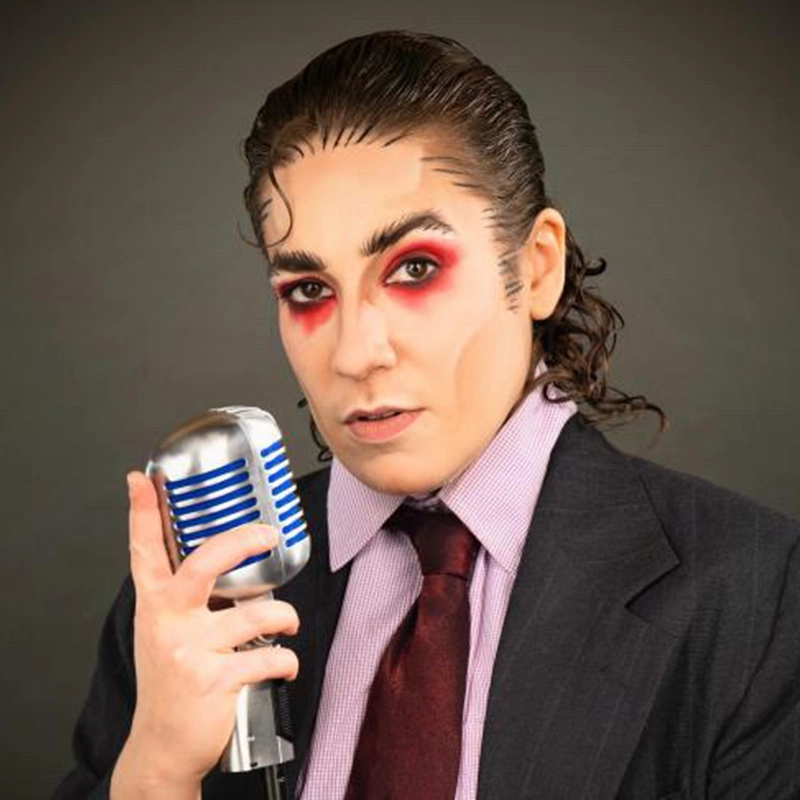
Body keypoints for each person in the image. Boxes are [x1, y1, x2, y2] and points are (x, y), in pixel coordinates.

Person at [54, 30, 800, 800]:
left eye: (414, 269)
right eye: (309, 289)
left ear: (536, 266)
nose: (355, 353)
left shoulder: (760, 595)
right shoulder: (193, 599)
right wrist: (155, 774)